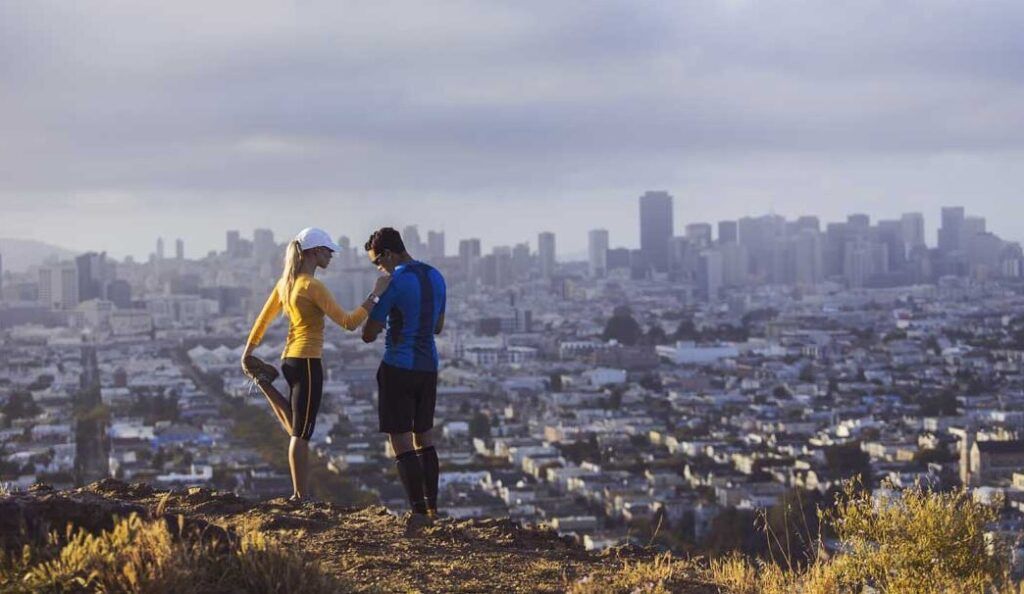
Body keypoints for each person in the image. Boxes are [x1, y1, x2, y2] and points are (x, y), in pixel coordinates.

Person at [242, 227, 390, 503]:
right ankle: (300, 496)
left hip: (289, 360)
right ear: (312, 252)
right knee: (302, 433)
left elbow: (262, 320)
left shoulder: (286, 283)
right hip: (309, 360)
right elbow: (349, 322)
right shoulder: (311, 286)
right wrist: (376, 293)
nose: (331, 255)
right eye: (327, 250)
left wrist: (247, 352)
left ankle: (263, 382)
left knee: (297, 427)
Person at [362, 227, 446, 532]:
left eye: (377, 262)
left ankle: (418, 511)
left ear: (386, 254)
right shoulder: (436, 276)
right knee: (425, 435)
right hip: (429, 366)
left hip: (398, 365)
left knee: (399, 436)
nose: (378, 268)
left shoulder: (394, 282)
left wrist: (377, 293)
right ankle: (434, 508)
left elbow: (368, 334)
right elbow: (438, 326)